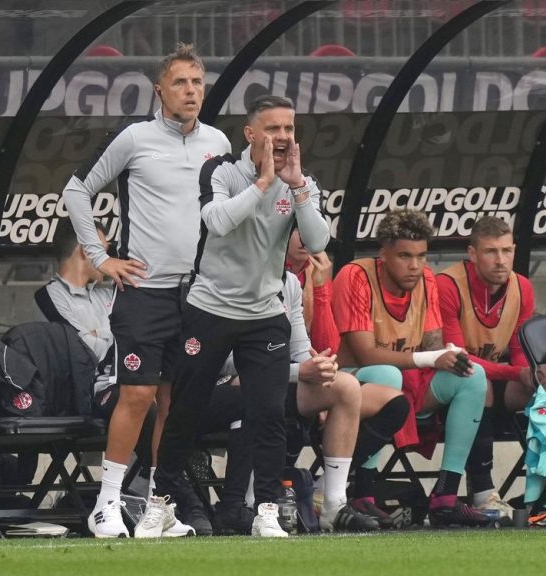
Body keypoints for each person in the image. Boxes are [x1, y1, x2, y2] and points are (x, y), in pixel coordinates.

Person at [62, 43, 231, 538]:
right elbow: (77, 189)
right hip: (144, 290)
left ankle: (158, 507)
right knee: (136, 395)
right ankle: (107, 505)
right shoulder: (134, 138)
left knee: (174, 404)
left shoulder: (218, 143)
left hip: (196, 295)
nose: (191, 92)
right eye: (181, 83)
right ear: (160, 91)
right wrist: (100, 258)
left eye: (198, 83)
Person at [153, 94, 330, 538]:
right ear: (250, 134)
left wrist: (296, 186)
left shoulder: (300, 181)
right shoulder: (221, 170)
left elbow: (317, 238)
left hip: (264, 313)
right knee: (186, 410)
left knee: (268, 412)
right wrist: (264, 183)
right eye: (273, 129)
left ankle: (266, 511)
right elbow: (217, 221)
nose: (284, 137)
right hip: (210, 308)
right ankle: (161, 502)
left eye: (289, 129)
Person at [332, 209, 491, 527]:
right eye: (405, 255)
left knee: (473, 376)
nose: (415, 266)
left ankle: (445, 497)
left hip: (409, 384)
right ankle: (362, 493)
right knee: (385, 375)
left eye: (421, 256)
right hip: (350, 385)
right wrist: (427, 359)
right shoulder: (356, 276)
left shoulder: (427, 281)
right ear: (383, 253)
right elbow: (365, 355)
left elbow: (432, 348)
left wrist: (448, 355)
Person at [214, 271, 380, 534]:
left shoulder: (290, 282)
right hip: (223, 386)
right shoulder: (230, 275)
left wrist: (318, 368)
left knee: (345, 386)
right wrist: (297, 371)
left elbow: (300, 351)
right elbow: (221, 362)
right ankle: (251, 503)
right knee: (256, 389)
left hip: (275, 381)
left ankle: (333, 505)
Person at [436, 215, 546, 522]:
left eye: (507, 251)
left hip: (495, 377)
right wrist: (514, 372)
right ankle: (483, 492)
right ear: (472, 253)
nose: (501, 260)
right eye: (491, 252)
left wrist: (528, 375)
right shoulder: (447, 285)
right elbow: (457, 356)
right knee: (479, 380)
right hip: (448, 382)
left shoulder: (523, 288)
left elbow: (519, 350)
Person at [285, 228, 410, 526]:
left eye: (312, 233)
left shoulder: (311, 275)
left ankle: (325, 492)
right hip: (273, 378)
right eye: (297, 231)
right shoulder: (272, 275)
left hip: (312, 377)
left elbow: (329, 347)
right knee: (344, 387)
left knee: (395, 404)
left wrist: (321, 288)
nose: (306, 240)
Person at [37, 219, 157, 500]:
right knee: (140, 401)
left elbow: (135, 336)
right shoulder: (48, 296)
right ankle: (160, 488)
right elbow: (83, 349)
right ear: (84, 250)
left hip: (128, 381)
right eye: (104, 250)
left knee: (169, 397)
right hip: (85, 393)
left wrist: (101, 335)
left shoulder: (109, 291)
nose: (110, 259)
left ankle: (152, 484)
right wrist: (114, 337)